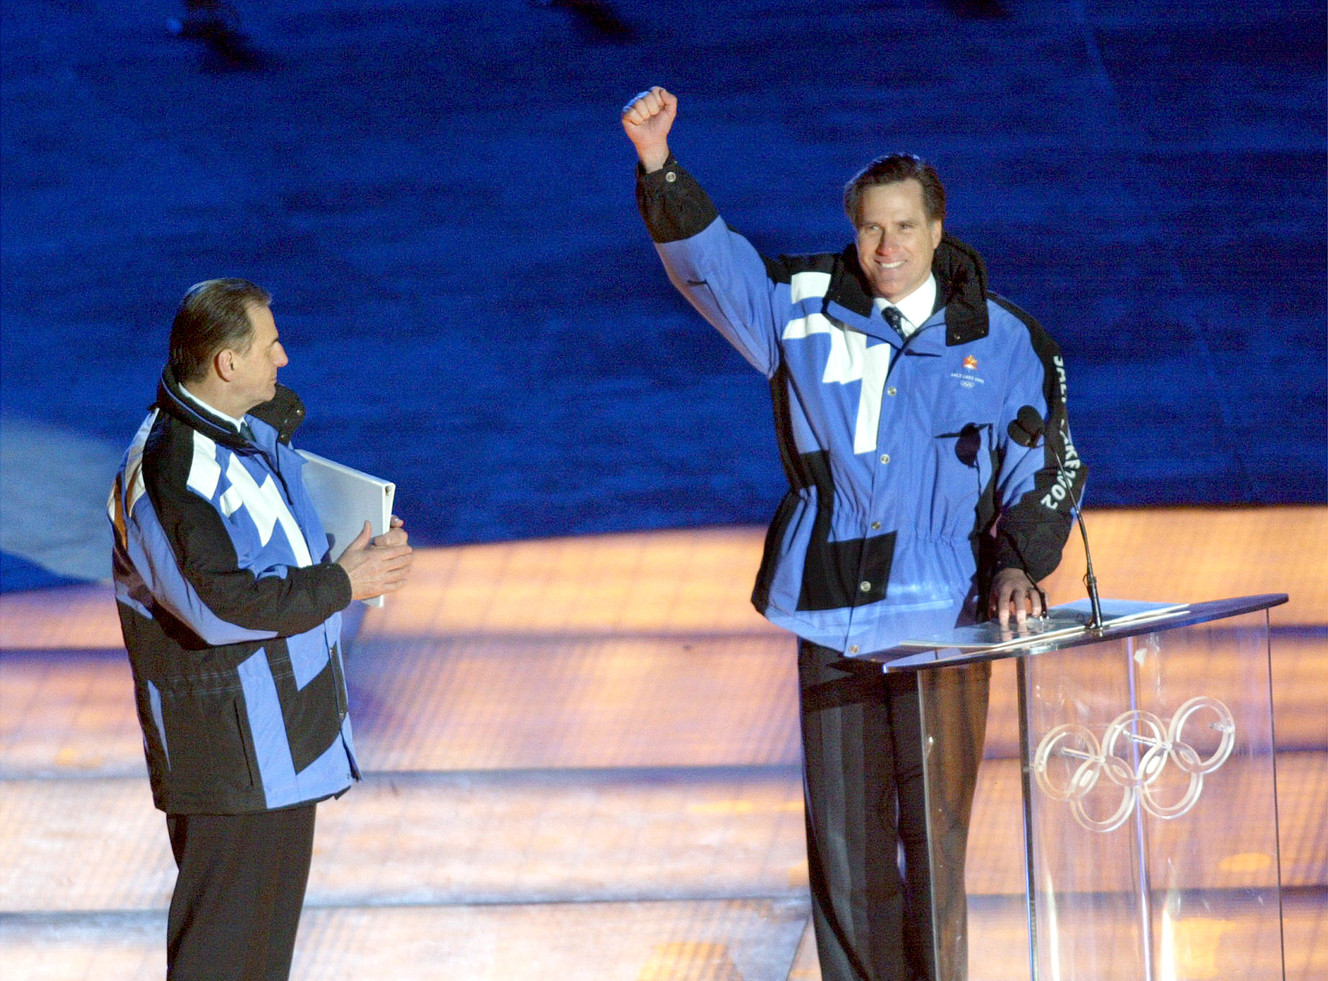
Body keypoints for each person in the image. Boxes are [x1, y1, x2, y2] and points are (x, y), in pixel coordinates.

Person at [621, 87, 1084, 981]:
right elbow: (711, 270)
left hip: (942, 618)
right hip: (832, 608)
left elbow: (1049, 464)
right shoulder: (802, 305)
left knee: (933, 844)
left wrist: (1021, 564)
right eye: (872, 229)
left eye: (905, 228)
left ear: (938, 229)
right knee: (844, 845)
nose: (887, 249)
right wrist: (659, 166)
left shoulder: (1007, 336)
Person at [107, 278, 414, 980]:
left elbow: (282, 544)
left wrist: (357, 548)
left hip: (280, 750)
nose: (284, 356)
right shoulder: (168, 473)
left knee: (260, 963)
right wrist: (345, 582)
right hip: (229, 765)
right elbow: (220, 604)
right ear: (225, 363)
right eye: (270, 344)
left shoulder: (245, 432)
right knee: (219, 961)